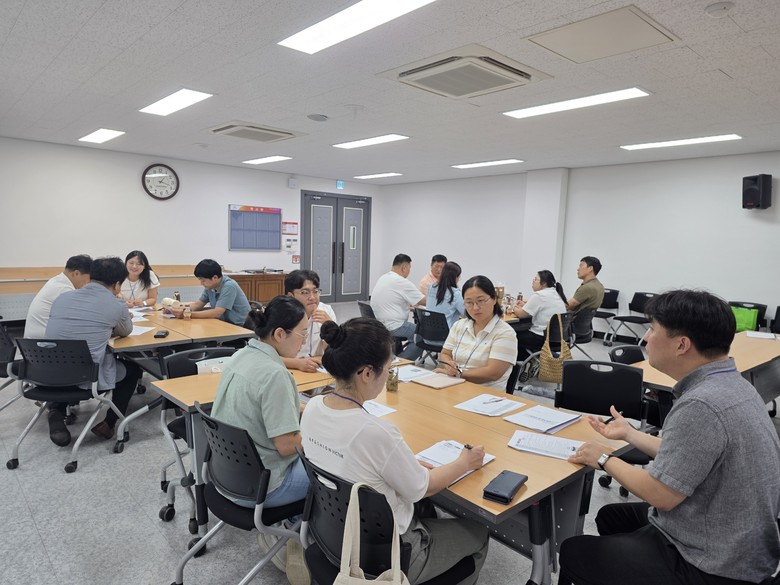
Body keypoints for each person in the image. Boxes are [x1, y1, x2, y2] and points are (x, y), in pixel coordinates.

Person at [560, 290, 780, 585]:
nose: (646, 337)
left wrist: (601, 458)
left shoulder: (701, 404)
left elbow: (660, 495)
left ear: (681, 344)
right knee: (611, 518)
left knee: (573, 551)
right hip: (740, 541)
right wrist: (630, 434)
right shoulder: (732, 384)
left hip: (714, 564)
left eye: (652, 329)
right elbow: (689, 453)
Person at [300, 317, 489, 585]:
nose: (388, 375)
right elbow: (423, 488)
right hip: (388, 556)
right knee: (479, 533)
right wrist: (465, 462)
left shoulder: (313, 407)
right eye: (388, 369)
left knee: (425, 509)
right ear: (367, 373)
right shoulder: (375, 432)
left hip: (333, 532)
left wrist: (406, 465)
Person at [210, 295, 311, 584]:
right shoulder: (275, 374)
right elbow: (286, 445)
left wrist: (300, 409)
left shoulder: (241, 355)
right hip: (264, 487)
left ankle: (288, 530)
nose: (305, 340)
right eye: (302, 333)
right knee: (336, 467)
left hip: (227, 476)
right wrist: (322, 433)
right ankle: (297, 535)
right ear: (280, 334)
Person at [44, 257, 141, 445]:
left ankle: (56, 410)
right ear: (117, 284)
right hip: (85, 376)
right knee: (133, 370)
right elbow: (125, 331)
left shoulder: (62, 298)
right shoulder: (116, 304)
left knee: (70, 360)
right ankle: (109, 423)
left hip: (48, 371)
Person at [434, 276, 518, 391]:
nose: (475, 307)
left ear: (494, 299)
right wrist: (449, 365)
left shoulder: (505, 333)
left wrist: (458, 373)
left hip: (485, 394)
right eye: (469, 302)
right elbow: (445, 353)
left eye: (481, 301)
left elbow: (493, 373)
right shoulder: (459, 325)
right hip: (454, 387)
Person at [370, 254, 425, 360]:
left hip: (379, 324)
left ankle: (395, 359)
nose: (409, 272)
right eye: (409, 269)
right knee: (422, 335)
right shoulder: (401, 281)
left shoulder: (383, 277)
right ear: (404, 267)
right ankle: (401, 362)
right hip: (395, 326)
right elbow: (423, 301)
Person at [24, 254, 92, 339]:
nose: (87, 284)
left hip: (33, 342)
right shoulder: (64, 289)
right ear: (76, 274)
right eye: (88, 280)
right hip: (44, 342)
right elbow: (82, 319)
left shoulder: (56, 281)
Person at [283, 269, 337, 373]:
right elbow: (267, 356)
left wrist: (331, 330)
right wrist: (297, 363)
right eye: (305, 292)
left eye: (315, 291)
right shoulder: (281, 314)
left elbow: (334, 352)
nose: (312, 297)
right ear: (291, 296)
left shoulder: (326, 311)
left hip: (317, 369)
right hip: (290, 370)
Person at [167, 259, 250, 325]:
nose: (201, 283)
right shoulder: (211, 286)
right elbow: (198, 305)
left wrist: (187, 314)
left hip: (240, 327)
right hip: (224, 323)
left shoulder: (229, 286)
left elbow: (217, 313)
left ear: (215, 277)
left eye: (203, 280)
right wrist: (176, 310)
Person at [512, 270, 567, 358]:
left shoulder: (539, 295)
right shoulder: (555, 293)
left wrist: (514, 306)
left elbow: (521, 314)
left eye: (535, 279)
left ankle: (522, 360)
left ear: (544, 283)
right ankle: (529, 360)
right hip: (558, 338)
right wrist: (525, 305)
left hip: (540, 338)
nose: (533, 282)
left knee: (510, 335)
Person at [425, 261, 464, 327]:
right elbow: (467, 313)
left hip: (426, 331)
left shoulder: (431, 287)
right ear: (456, 277)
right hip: (447, 333)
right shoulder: (456, 294)